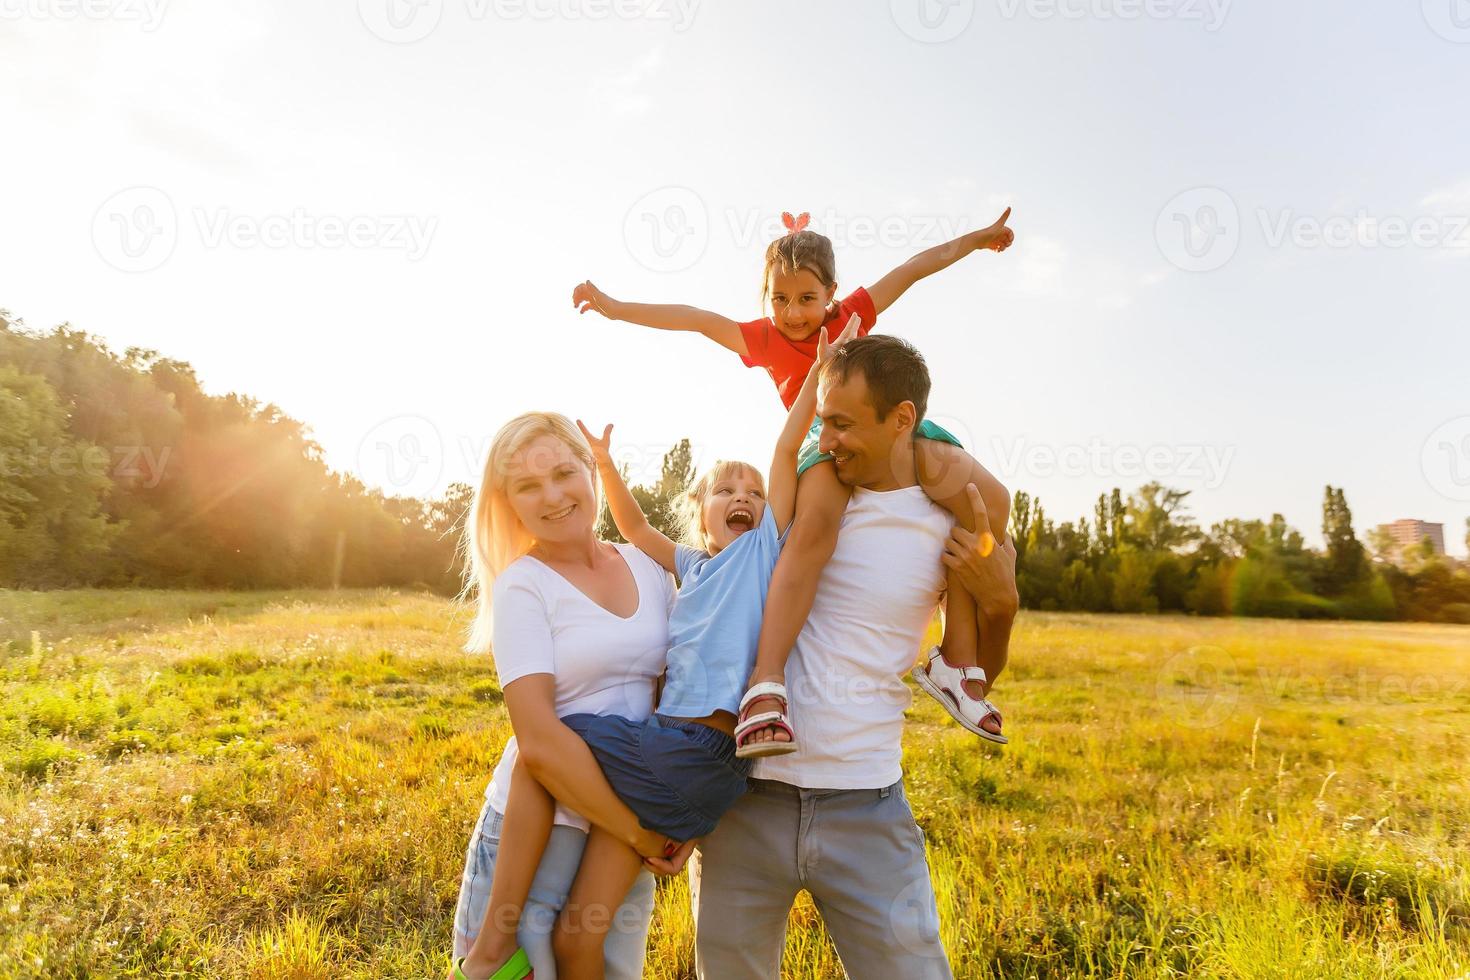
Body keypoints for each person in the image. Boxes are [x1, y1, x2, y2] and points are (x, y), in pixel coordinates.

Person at [458, 320, 858, 980]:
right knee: (569, 943)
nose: (742, 499)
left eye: (754, 493)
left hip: (668, 767)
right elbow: (635, 523)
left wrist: (816, 379)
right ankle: (497, 950)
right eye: (530, 486)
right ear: (698, 510)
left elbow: (787, 454)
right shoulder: (680, 572)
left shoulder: (745, 558)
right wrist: (609, 465)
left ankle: (492, 956)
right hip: (623, 796)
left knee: (547, 779)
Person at [572, 208, 1015, 751]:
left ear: (832, 291)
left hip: (885, 425)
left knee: (987, 504)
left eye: (807, 299)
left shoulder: (850, 315)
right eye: (779, 299)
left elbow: (913, 268)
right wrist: (616, 309)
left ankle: (956, 660)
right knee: (814, 530)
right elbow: (692, 317)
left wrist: (974, 240)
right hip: (822, 442)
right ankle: (767, 681)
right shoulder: (763, 339)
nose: (793, 312)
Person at [688, 334, 1020, 979]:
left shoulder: (943, 504)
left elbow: (990, 666)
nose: (830, 438)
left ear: (901, 421)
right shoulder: (814, 485)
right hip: (749, 797)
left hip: (867, 803)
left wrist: (1000, 603)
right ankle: (769, 687)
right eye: (823, 421)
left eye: (844, 423)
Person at [450, 411, 676, 980]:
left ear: (591, 471)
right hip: (542, 833)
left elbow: (677, 703)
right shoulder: (524, 584)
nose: (551, 496)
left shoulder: (650, 567)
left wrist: (677, 823)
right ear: (510, 503)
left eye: (562, 473)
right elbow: (540, 744)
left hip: (624, 832)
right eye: (528, 486)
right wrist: (640, 830)